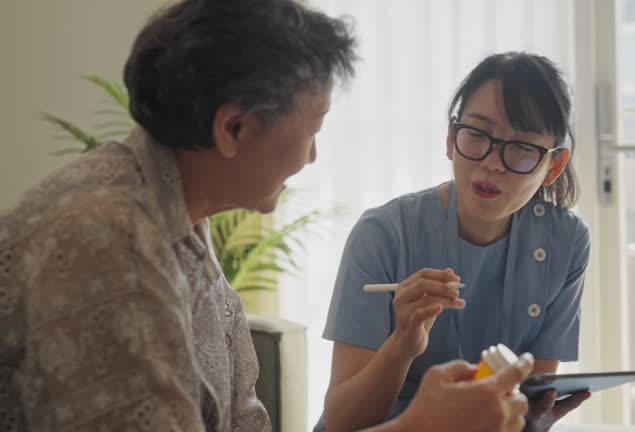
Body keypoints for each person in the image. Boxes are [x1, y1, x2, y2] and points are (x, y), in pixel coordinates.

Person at [0, 0, 534, 431]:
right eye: (315, 126)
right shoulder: (107, 247)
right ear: (233, 129)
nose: (312, 156)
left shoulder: (176, 213)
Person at [317, 51, 592, 432]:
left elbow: (530, 395)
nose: (492, 162)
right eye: (477, 135)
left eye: (521, 148)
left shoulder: (567, 242)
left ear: (554, 166)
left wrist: (531, 419)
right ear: (451, 138)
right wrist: (402, 345)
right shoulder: (382, 234)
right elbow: (343, 423)